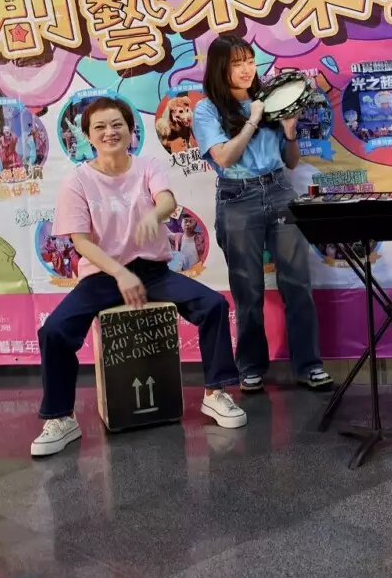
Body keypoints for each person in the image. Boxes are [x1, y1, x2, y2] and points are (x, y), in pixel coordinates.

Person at [32, 97, 246, 457]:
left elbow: (166, 200)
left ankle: (216, 392)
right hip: (103, 275)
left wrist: (155, 215)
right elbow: (81, 242)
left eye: (117, 124)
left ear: (131, 130)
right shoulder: (77, 181)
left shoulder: (148, 165)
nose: (109, 132)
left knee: (212, 305)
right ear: (88, 136)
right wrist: (119, 274)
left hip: (152, 271)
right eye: (100, 127)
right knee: (54, 331)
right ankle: (60, 417)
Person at [192, 35, 332, 392]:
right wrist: (253, 119)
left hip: (280, 190)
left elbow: (291, 162)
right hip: (237, 198)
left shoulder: (269, 100)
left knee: (297, 283)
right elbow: (224, 158)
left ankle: (309, 365)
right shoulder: (207, 110)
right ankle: (251, 366)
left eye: (250, 61)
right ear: (220, 68)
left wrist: (289, 132)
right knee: (247, 288)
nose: (246, 69)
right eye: (237, 63)